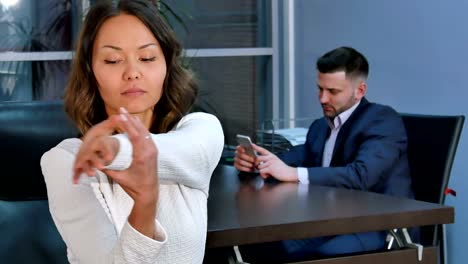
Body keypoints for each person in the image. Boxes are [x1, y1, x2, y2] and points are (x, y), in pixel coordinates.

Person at [40, 0, 224, 263]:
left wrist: (114, 149)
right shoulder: (66, 161)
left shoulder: (201, 130)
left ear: (166, 65)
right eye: (113, 60)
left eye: (147, 57)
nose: (132, 73)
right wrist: (144, 208)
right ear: (91, 70)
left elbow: (179, 152)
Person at [234, 46, 413, 263]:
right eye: (320, 89)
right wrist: (255, 163)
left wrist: (293, 173)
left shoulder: (383, 121)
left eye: (333, 92)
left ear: (360, 90)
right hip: (329, 222)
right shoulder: (320, 127)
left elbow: (361, 176)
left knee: (295, 253)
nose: (322, 98)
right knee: (257, 244)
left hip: (377, 227)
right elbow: (291, 161)